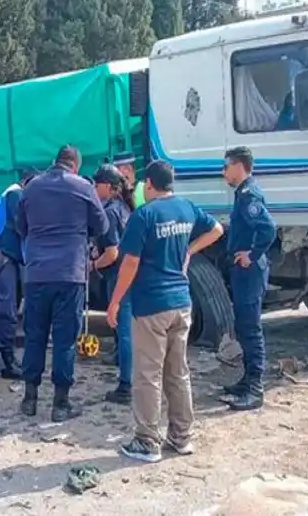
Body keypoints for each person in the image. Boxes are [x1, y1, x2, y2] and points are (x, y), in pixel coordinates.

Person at [107, 160, 223, 462]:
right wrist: (189, 250)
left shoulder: (144, 215)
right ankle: (182, 437)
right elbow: (217, 229)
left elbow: (130, 263)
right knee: (178, 372)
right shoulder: (186, 208)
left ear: (150, 184)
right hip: (181, 304)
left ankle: (147, 442)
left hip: (151, 307)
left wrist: (116, 301)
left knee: (147, 375)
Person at [17, 146, 109, 422]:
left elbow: (21, 227)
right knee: (64, 340)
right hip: (69, 274)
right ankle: (60, 404)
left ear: (54, 162)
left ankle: (29, 399)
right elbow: (102, 227)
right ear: (75, 166)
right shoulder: (82, 187)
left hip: (36, 275)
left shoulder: (31, 188)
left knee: (34, 336)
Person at [221, 146, 277, 411]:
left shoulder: (248, 194)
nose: (223, 173)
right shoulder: (242, 193)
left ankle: (255, 389)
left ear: (239, 165)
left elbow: (267, 229)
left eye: (226, 167)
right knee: (243, 325)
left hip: (250, 272)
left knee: (251, 327)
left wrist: (251, 255)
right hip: (243, 271)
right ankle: (247, 379)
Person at [0, 170, 37, 380]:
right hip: (0, 257)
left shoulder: (15, 193)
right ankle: (6, 364)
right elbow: (22, 225)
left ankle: (6, 359)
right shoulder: (15, 194)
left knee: (10, 309)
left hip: (5, 257)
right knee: (6, 311)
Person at [90, 165, 135, 404]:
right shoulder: (124, 208)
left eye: (96, 185)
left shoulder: (109, 212)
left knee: (125, 331)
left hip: (118, 276)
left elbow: (112, 253)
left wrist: (93, 265)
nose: (94, 189)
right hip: (128, 275)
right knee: (126, 331)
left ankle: (126, 386)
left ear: (108, 186)